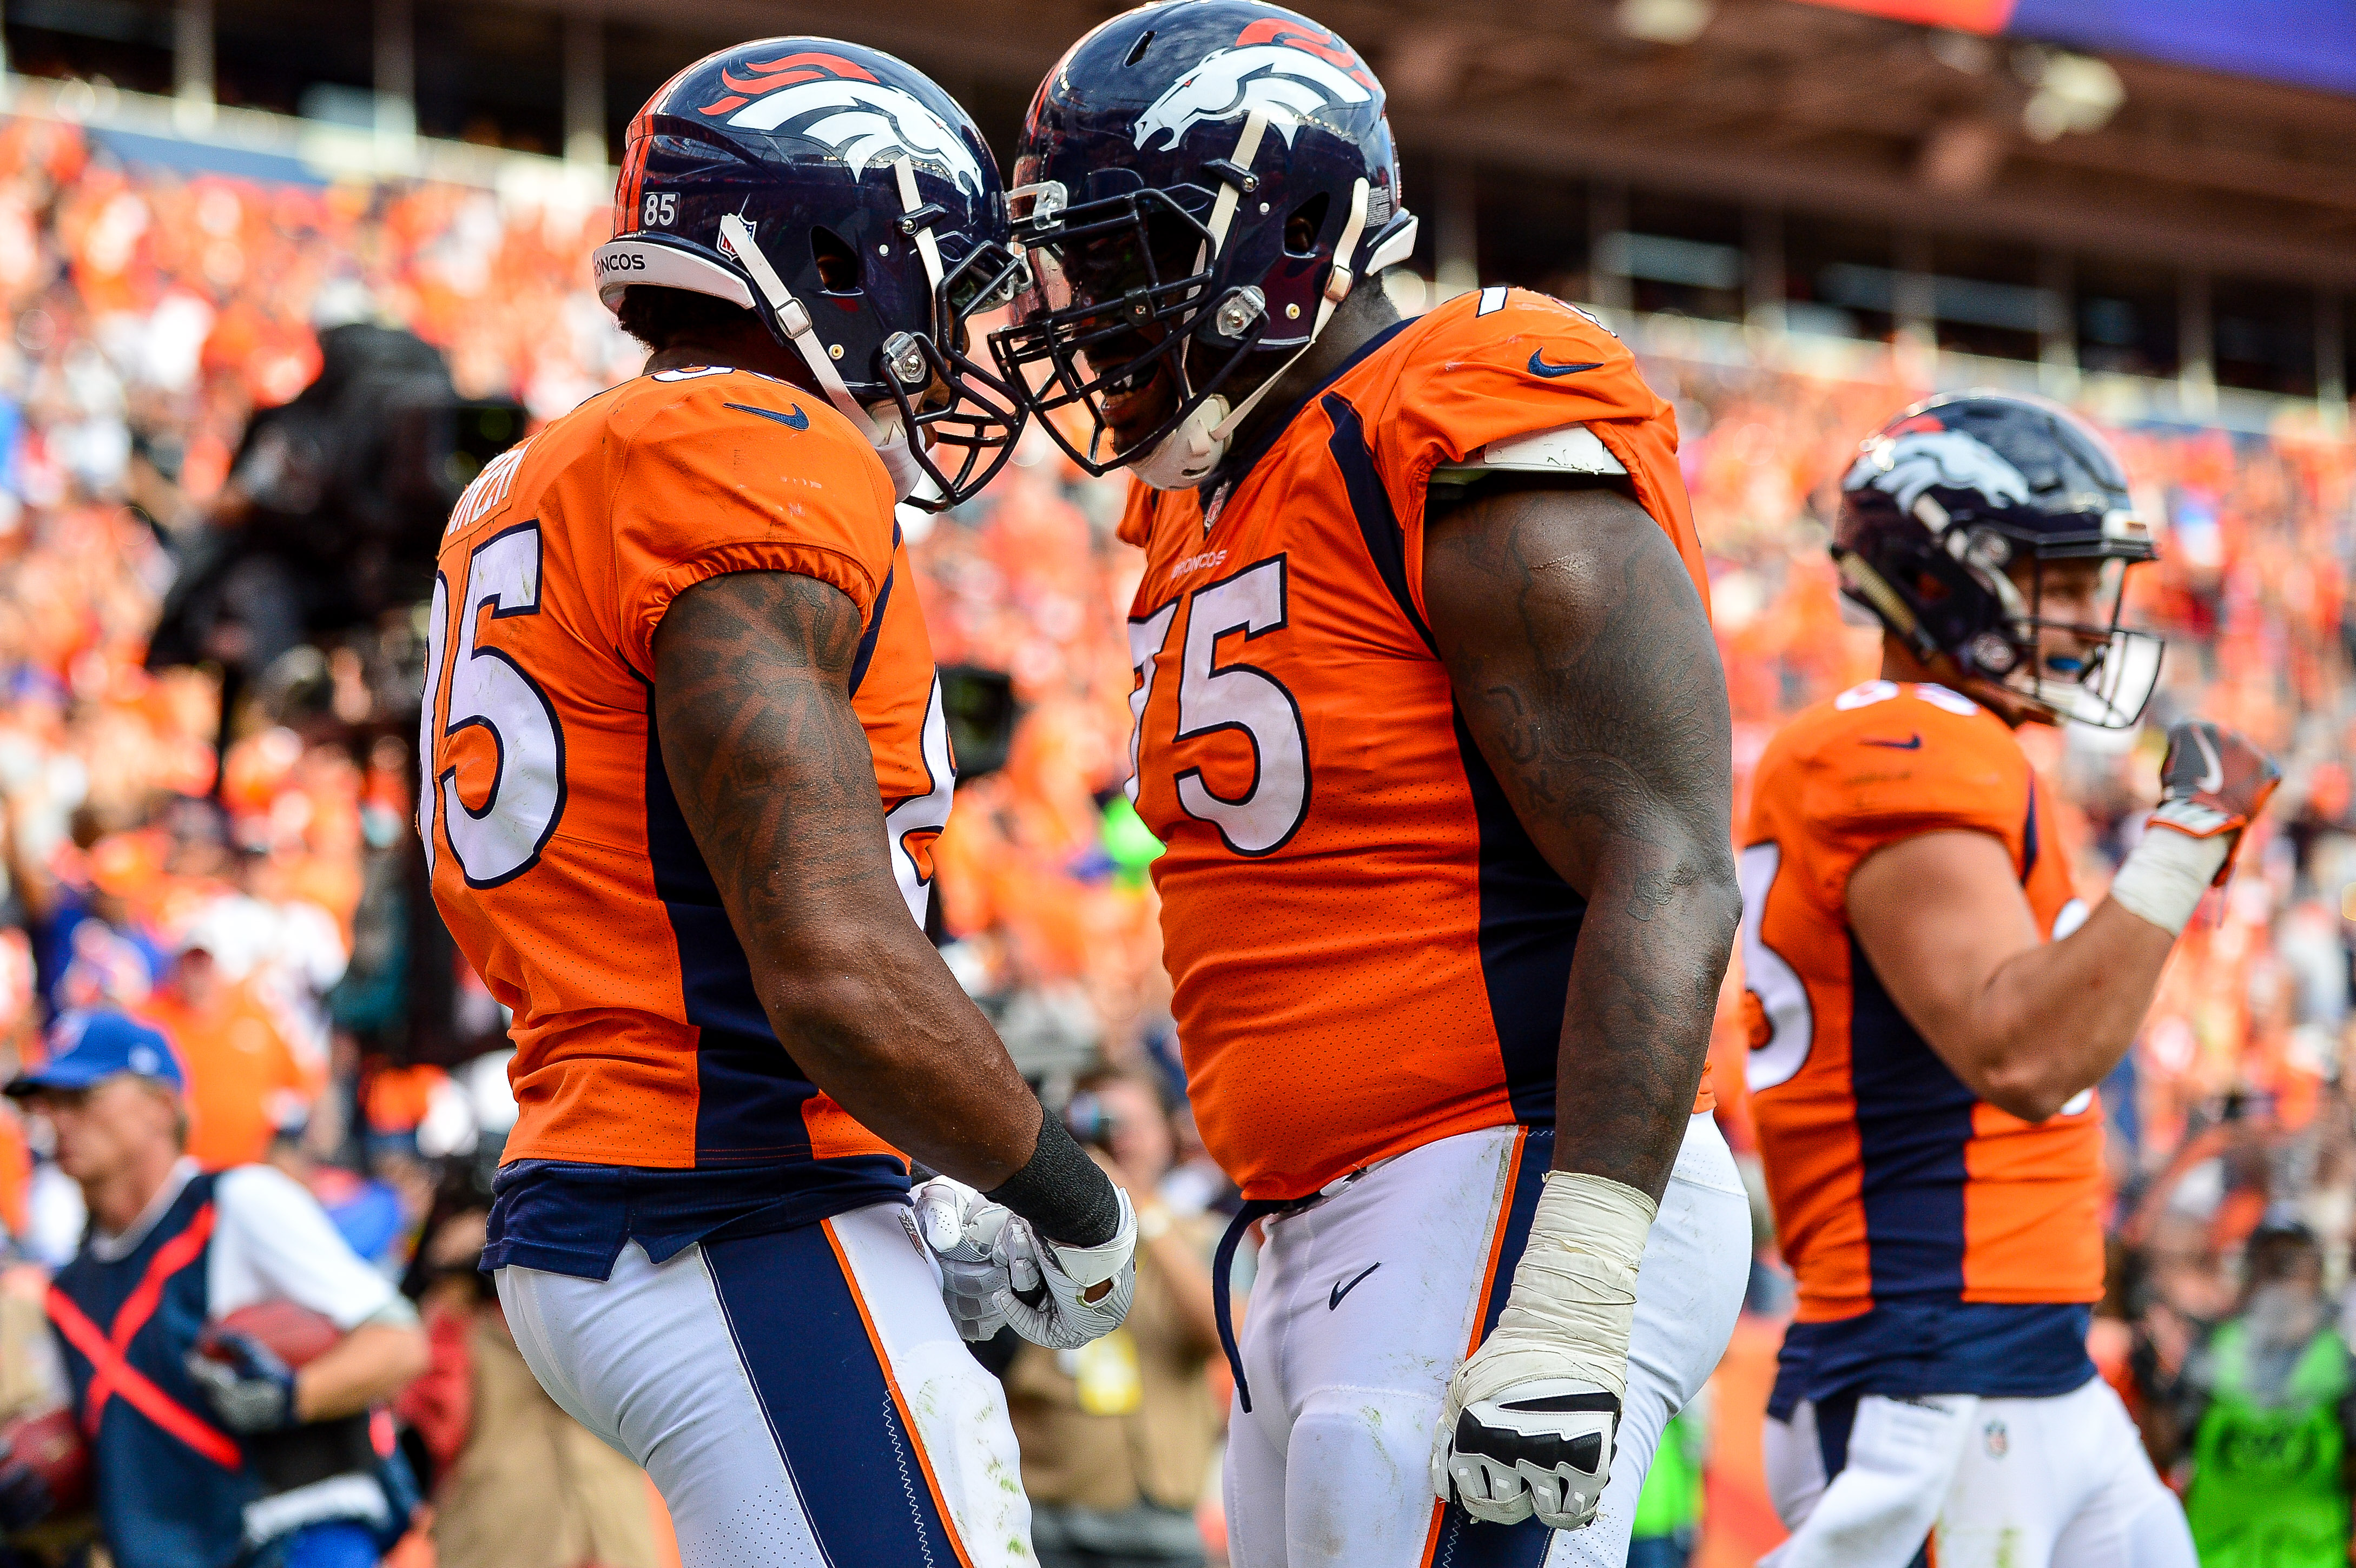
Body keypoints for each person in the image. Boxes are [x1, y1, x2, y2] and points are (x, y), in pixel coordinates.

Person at [994, 5, 1753, 1563]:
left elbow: (1668, 858)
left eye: (1130, 262)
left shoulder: (1458, 407)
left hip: (1505, 1169)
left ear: (1282, 231)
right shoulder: (1221, 490)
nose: (1093, 314)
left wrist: (1572, 1286)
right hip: (1323, 1216)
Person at [418, 39, 1136, 1568]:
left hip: (627, 1176)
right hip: (726, 1203)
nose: (950, 334)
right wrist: (1068, 1192)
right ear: (825, 253)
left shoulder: (539, 474)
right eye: (935, 276)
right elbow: (826, 958)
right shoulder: (746, 446)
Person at [1741, 392, 2279, 1568]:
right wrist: (2180, 844)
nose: (2092, 618)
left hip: (2018, 1362)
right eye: (2064, 580)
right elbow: (2019, 1054)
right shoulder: (1896, 745)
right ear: (1948, 578)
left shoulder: (1952, 745)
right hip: (1932, 1377)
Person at [2, 1008, 428, 1568]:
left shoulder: (235, 1202)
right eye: (45, 1104)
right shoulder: (68, 1292)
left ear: (161, 1107)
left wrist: (294, 1393)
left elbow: (400, 1343)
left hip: (299, 1534)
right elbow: (130, 1466)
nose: (56, 1120)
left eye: (81, 1098)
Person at [1008, 1072, 1223, 1568]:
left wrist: (1140, 1211)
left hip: (1162, 1521)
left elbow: (1225, 1334)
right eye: (1103, 1123)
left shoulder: (1203, 1236)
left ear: (1168, 1135)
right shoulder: (1026, 1233)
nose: (1118, 1139)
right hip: (1050, 1514)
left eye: (1133, 1125)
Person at [2160, 1219, 2352, 1568]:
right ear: (2248, 1272)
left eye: (2294, 1261)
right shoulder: (2209, 1350)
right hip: (2215, 1555)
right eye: (2271, 1260)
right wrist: (2155, 1392)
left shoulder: (2342, 1363)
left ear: (2319, 1274)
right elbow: (2167, 1447)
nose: (2283, 1273)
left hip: (2309, 1558)